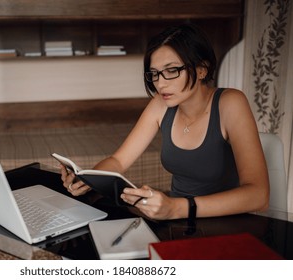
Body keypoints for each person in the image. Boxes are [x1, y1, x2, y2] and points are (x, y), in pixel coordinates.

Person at [60, 23, 269, 221]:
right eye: (155, 74)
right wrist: (89, 178)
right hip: (176, 221)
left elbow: (258, 195)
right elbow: (119, 161)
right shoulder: (161, 104)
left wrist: (176, 208)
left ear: (201, 70)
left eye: (171, 70)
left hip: (227, 223)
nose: (160, 83)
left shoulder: (230, 103)